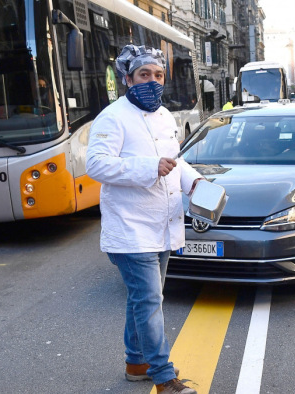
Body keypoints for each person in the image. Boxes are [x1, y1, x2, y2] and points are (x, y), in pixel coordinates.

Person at [85, 44, 202, 394]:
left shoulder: (166, 116)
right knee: (149, 301)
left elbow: (175, 162)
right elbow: (96, 165)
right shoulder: (113, 116)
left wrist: (193, 181)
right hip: (130, 228)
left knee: (145, 299)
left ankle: (137, 363)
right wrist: (147, 167)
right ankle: (164, 375)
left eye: (158, 75)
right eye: (144, 75)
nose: (152, 81)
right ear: (128, 79)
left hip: (162, 224)